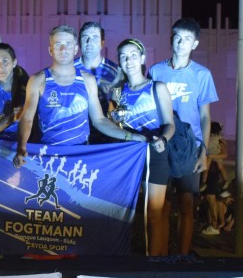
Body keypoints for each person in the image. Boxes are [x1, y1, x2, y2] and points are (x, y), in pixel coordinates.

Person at [13, 25, 143, 168]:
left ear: (75, 49)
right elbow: (27, 118)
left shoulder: (88, 80)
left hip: (80, 157)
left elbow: (99, 120)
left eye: (68, 44)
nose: (63, 49)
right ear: (50, 50)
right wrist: (22, 146)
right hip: (48, 156)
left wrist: (130, 136)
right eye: (58, 45)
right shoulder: (37, 80)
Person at [150, 18, 219, 256]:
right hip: (163, 144)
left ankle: (182, 256)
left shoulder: (202, 74)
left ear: (195, 44)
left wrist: (204, 152)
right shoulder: (156, 71)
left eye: (187, 39)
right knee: (163, 206)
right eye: (177, 37)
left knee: (187, 205)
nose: (181, 43)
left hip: (190, 148)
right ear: (171, 39)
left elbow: (205, 117)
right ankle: (161, 256)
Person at [113, 38, 175, 256]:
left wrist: (163, 140)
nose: (128, 60)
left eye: (132, 55)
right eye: (123, 56)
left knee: (154, 213)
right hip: (130, 157)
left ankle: (156, 263)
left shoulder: (157, 87)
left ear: (142, 58)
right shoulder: (117, 93)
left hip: (155, 154)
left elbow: (170, 124)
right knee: (126, 213)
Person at [73, 21, 122, 144]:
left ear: (102, 43)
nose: (89, 42)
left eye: (95, 38)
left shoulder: (116, 72)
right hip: (76, 133)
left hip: (105, 134)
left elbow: (117, 103)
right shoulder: (69, 69)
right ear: (79, 43)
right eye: (85, 38)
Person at [201, 121, 229, 189]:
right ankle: (226, 181)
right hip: (217, 153)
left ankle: (203, 183)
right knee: (221, 168)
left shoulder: (206, 135)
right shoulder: (218, 137)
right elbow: (225, 143)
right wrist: (224, 143)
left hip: (209, 154)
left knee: (206, 169)